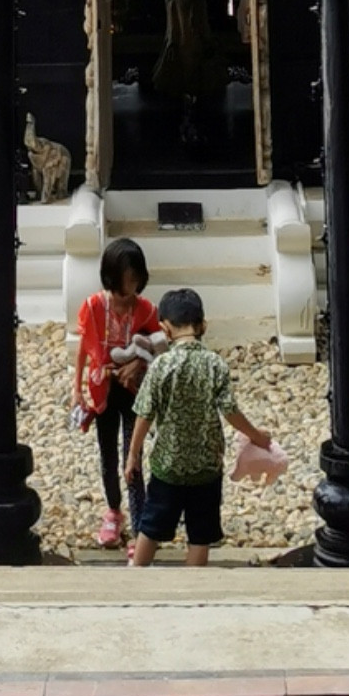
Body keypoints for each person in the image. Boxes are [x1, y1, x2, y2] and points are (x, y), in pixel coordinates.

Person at [125, 286, 274, 567]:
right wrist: (257, 436)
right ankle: (194, 590)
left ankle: (135, 580)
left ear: (164, 329)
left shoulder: (161, 365)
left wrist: (133, 454)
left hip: (167, 466)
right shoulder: (215, 364)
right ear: (203, 325)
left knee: (151, 527)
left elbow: (145, 413)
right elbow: (230, 411)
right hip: (206, 466)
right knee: (200, 534)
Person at [73, 235, 161, 547]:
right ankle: (113, 510)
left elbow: (159, 346)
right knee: (108, 454)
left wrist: (139, 362)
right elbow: (84, 346)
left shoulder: (147, 310)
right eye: (127, 283)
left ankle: (139, 526)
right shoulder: (94, 307)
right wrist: (78, 390)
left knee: (132, 455)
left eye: (137, 282)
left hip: (134, 389)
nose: (132, 292)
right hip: (103, 387)